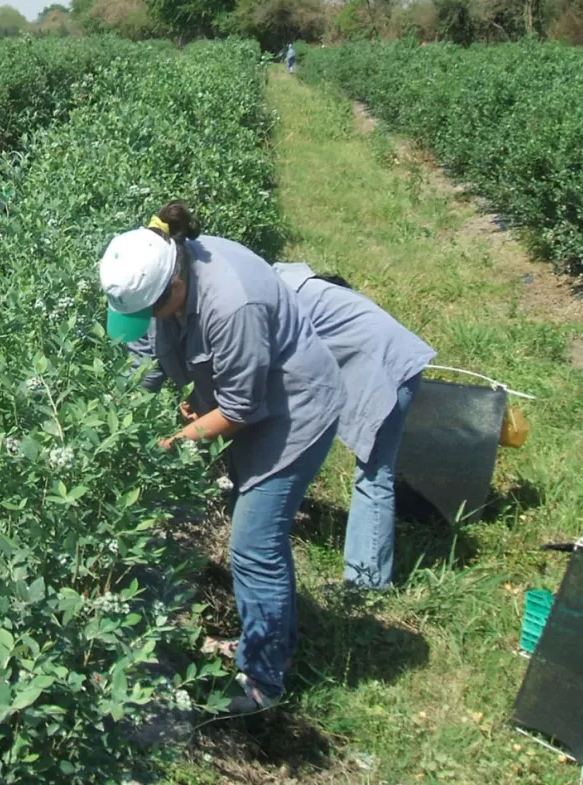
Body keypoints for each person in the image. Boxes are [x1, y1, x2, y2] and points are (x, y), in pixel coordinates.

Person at [100, 202, 344, 713]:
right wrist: (112, 422)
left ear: (175, 290)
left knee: (255, 542)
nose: (147, 323)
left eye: (150, 312)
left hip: (293, 413)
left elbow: (240, 408)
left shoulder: (233, 303)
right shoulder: (167, 273)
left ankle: (263, 683)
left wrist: (174, 440)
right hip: (251, 408)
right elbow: (147, 359)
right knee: (253, 532)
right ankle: (270, 639)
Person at [273, 263, 435, 591]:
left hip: (389, 368)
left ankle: (368, 583)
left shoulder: (280, 300)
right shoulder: (288, 283)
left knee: (374, 473)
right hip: (388, 358)